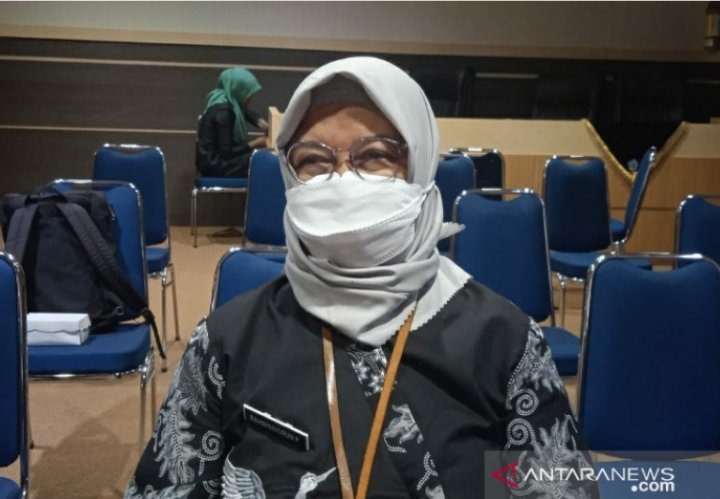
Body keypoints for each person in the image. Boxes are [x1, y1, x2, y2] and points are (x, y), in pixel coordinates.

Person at [126, 57, 597, 498]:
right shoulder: (226, 341)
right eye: (313, 160)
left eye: (374, 155)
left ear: (420, 164)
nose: (343, 179)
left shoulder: (505, 342)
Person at [195, 67, 269, 178]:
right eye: (248, 93)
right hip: (215, 166)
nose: (251, 97)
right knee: (264, 160)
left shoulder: (221, 97)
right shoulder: (223, 113)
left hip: (211, 160)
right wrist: (255, 144)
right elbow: (227, 153)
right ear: (238, 90)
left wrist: (261, 123)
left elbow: (244, 111)